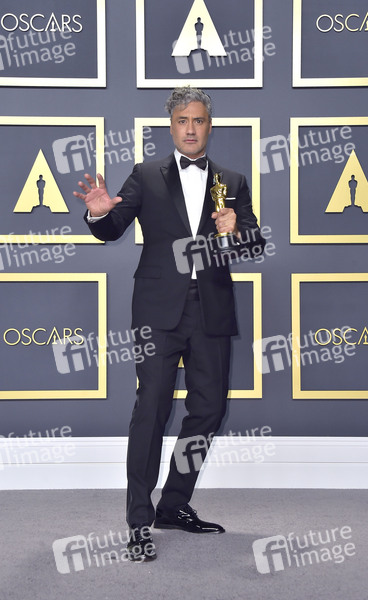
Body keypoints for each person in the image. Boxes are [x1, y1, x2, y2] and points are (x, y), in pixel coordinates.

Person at [74, 86, 265, 562]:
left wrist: (235, 232)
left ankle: (174, 504)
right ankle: (139, 521)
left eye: (198, 120)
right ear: (172, 126)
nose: (191, 129)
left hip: (211, 309)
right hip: (158, 312)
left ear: (210, 126)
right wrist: (97, 213)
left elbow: (254, 243)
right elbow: (112, 227)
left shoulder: (233, 181)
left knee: (209, 410)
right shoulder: (146, 174)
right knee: (152, 410)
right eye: (183, 121)